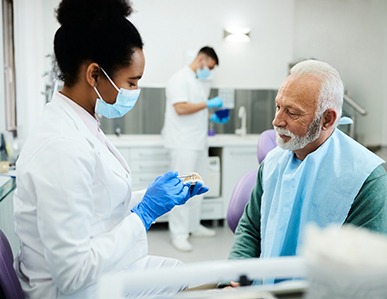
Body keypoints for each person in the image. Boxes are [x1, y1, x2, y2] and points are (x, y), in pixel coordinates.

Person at [13, 1, 207, 298]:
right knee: (199, 286)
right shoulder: (61, 147)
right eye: (131, 82)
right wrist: (144, 213)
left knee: (188, 274)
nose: (135, 92)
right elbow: (72, 273)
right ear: (94, 75)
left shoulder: (79, 123)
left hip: (96, 274)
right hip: (69, 291)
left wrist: (153, 198)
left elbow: (96, 206)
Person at [228, 59, 387, 284]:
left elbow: (364, 276)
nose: (276, 121)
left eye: (292, 113)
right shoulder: (273, 162)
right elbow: (251, 229)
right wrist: (233, 281)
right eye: (278, 106)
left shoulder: (365, 180)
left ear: (327, 119)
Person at [162, 46, 227, 252]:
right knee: (182, 187)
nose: (209, 71)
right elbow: (180, 108)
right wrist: (207, 104)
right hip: (183, 143)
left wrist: (211, 116)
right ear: (201, 59)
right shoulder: (179, 79)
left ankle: (193, 226)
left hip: (197, 142)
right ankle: (178, 234)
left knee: (198, 186)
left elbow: (195, 110)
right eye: (209, 66)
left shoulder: (197, 81)